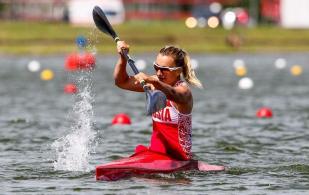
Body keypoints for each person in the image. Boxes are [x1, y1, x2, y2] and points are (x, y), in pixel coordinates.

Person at [114, 41, 203, 161]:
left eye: (164, 69)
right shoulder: (153, 82)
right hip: (156, 154)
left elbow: (172, 93)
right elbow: (121, 82)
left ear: (178, 71)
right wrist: (122, 57)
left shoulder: (184, 93)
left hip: (179, 159)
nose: (159, 73)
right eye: (156, 67)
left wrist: (152, 81)